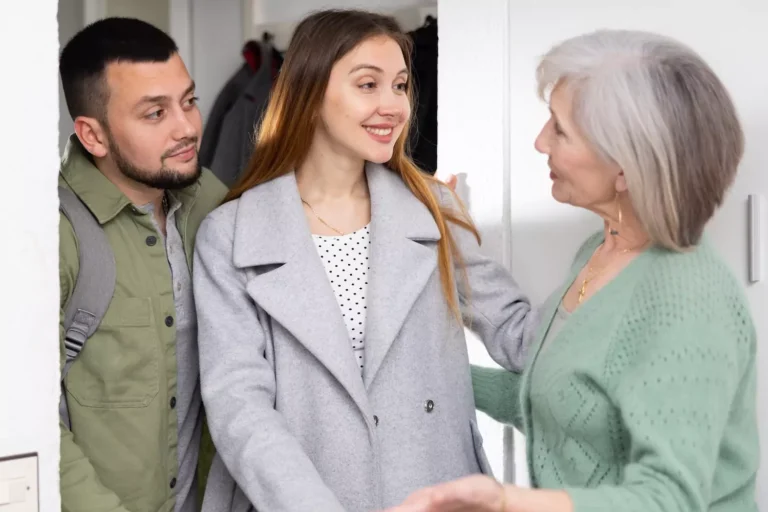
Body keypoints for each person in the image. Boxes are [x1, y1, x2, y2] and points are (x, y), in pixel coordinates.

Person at [384, 29, 760, 512]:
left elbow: (669, 499)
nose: (540, 141)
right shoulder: (601, 250)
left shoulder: (687, 299)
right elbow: (565, 403)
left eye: (560, 130)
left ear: (626, 167)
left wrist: (505, 502)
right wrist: (430, 375)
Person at [192, 9, 537, 512]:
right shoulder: (231, 235)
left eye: (400, 85)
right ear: (310, 92)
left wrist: (617, 259)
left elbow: (518, 333)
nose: (393, 106)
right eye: (368, 84)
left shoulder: (432, 209)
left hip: (431, 490)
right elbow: (238, 405)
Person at [58, 17, 227, 512]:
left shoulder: (212, 203)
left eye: (189, 101)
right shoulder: (50, 236)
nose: (186, 128)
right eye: (155, 113)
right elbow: (21, 410)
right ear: (93, 136)